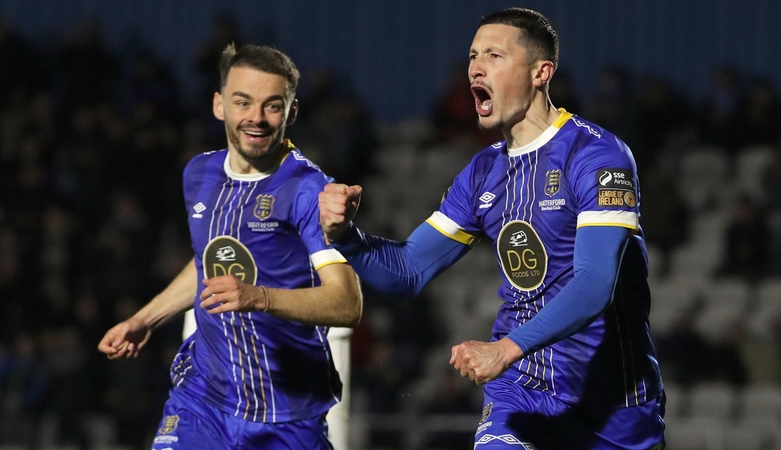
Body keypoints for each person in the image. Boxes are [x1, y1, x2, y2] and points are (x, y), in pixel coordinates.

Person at [319, 7, 665, 449]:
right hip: (520, 394)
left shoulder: (597, 155)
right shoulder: (482, 173)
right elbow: (408, 270)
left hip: (615, 407)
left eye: (494, 56)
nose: (476, 68)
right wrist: (346, 236)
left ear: (541, 72)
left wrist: (504, 349)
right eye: (472, 56)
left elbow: (595, 283)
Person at [98, 43, 363, 450]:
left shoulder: (309, 190)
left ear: (291, 112)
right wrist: (146, 319)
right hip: (203, 399)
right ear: (219, 105)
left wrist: (258, 297)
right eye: (243, 102)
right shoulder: (199, 173)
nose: (256, 117)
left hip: (286, 412)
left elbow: (347, 303)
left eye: (272, 106)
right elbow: (208, 263)